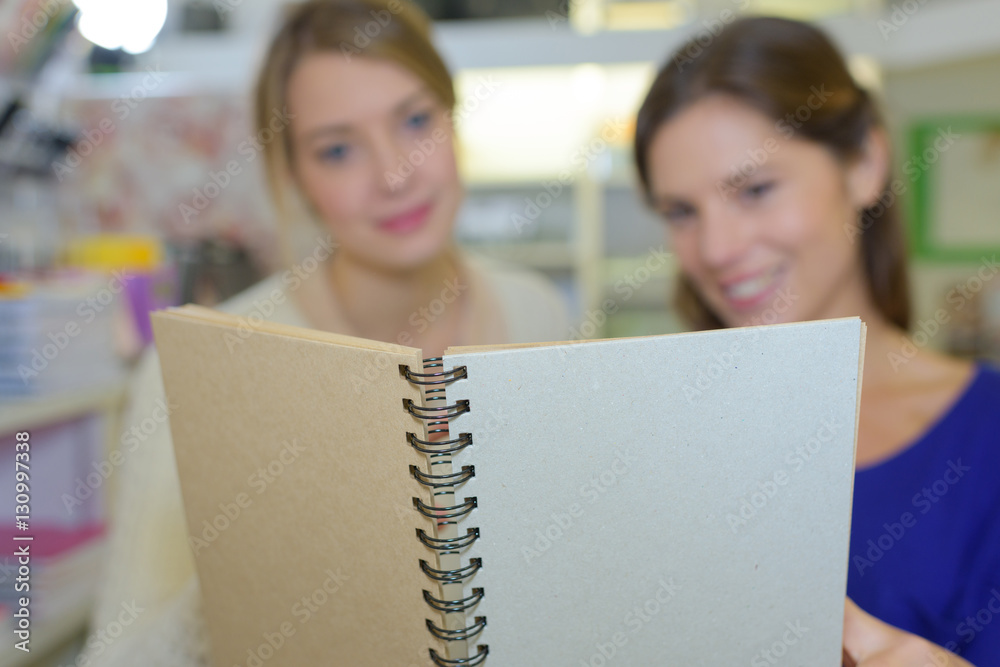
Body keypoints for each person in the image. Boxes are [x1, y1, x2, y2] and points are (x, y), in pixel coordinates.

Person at [84, 1, 569, 663]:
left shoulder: (536, 312)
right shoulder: (201, 368)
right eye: (338, 149)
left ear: (454, 116)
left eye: (416, 120)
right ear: (298, 179)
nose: (394, 175)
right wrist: (247, 576)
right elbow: (123, 650)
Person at [633, 15, 999, 667]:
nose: (717, 249)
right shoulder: (649, 444)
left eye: (755, 190)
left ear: (864, 163)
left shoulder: (985, 439)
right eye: (682, 212)